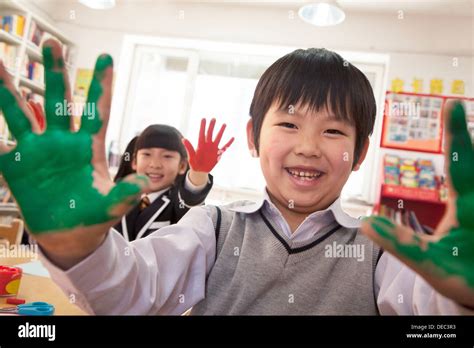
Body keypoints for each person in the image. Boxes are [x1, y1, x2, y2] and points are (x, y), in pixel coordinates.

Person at [0, 40, 473, 315]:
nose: (308, 146)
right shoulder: (212, 227)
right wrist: (76, 248)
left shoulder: (379, 252)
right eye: (288, 124)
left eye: (332, 130)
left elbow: (427, 308)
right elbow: (131, 291)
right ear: (253, 136)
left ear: (360, 152)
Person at [113, 122, 232, 241]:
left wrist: (199, 172)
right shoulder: (119, 197)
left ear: (182, 166)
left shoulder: (178, 203)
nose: (155, 164)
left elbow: (191, 199)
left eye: (167, 156)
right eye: (147, 154)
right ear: (134, 161)